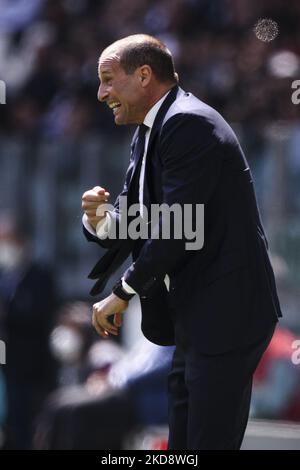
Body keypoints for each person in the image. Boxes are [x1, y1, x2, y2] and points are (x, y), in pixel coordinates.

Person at [81, 34, 282, 450]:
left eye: (107, 80)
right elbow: (144, 221)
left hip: (227, 314)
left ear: (143, 76)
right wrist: (100, 221)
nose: (101, 94)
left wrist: (122, 293)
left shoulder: (188, 123)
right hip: (198, 316)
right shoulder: (154, 127)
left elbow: (175, 228)